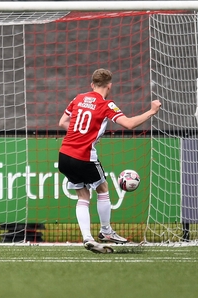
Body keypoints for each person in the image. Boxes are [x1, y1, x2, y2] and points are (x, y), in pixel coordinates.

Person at [58, 68, 161, 254]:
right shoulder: (106, 105)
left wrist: (80, 134)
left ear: (92, 84)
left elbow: (63, 122)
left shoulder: (78, 98)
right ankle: (105, 231)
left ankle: (87, 237)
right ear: (110, 85)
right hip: (84, 155)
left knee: (82, 196)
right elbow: (129, 123)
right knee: (102, 188)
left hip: (64, 154)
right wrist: (152, 111)